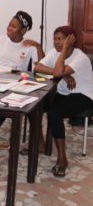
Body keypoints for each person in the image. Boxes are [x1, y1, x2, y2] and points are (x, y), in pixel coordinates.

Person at [34, 26, 93, 177]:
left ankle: (62, 159)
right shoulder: (55, 52)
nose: (56, 43)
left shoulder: (80, 57)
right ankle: (41, 144)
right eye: (55, 39)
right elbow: (37, 67)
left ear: (70, 40)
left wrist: (61, 68)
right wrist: (63, 74)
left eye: (60, 39)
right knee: (35, 105)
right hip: (63, 93)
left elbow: (58, 71)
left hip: (83, 95)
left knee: (54, 113)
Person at [0, 11, 45, 155]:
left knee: (7, 103)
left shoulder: (29, 46)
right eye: (9, 25)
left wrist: (38, 46)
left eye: (13, 26)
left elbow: (41, 66)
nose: (8, 28)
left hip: (14, 83)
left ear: (23, 30)